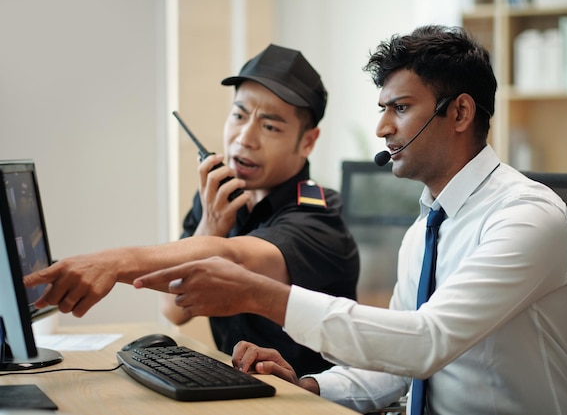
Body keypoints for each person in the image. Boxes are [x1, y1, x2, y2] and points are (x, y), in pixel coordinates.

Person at [127, 25, 567, 415]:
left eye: (401, 108)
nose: (383, 128)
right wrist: (311, 385)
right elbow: (398, 362)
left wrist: (260, 295)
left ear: (461, 112)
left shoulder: (527, 218)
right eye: (382, 109)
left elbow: (426, 342)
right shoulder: (426, 229)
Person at [24, 44, 360, 377]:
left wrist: (114, 262)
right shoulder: (218, 197)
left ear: (308, 141)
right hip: (241, 390)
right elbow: (173, 309)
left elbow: (234, 260)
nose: (245, 138)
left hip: (309, 400)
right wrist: (209, 227)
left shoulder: (318, 212)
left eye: (270, 127)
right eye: (239, 115)